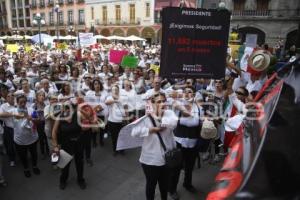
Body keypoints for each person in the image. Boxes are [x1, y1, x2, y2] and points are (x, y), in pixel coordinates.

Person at [131, 92, 177, 200]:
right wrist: (150, 130)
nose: (162, 104)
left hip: (167, 158)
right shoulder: (145, 118)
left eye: (163, 101)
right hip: (150, 160)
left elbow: (172, 124)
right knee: (151, 185)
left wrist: (157, 116)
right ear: (153, 104)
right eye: (158, 102)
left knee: (164, 184)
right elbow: (134, 132)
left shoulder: (169, 113)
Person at [168, 86, 204, 199]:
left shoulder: (198, 108)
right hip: (179, 142)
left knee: (189, 167)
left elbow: (201, 122)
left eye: (191, 92)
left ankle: (187, 184)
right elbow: (169, 96)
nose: (189, 94)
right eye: (186, 92)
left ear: (194, 95)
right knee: (176, 168)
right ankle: (172, 189)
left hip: (193, 142)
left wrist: (207, 122)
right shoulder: (177, 105)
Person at [51, 100, 87, 190]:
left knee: (79, 163)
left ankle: (80, 180)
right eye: (65, 107)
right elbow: (54, 132)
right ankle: (63, 181)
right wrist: (55, 146)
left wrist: (85, 126)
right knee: (65, 165)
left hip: (78, 143)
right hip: (66, 144)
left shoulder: (78, 115)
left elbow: (86, 123)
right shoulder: (60, 117)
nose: (67, 109)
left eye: (68, 107)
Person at [13, 94, 40, 178]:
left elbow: (38, 121)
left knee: (34, 154)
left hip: (32, 138)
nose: (23, 104)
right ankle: (26, 169)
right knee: (23, 156)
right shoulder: (13, 111)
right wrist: (16, 115)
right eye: (20, 102)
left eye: (24, 102)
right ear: (17, 103)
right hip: (20, 140)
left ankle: (35, 166)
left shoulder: (31, 109)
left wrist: (31, 118)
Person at [105, 84, 127, 156]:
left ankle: (122, 150)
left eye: (116, 89)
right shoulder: (109, 97)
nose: (115, 91)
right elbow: (106, 103)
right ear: (111, 91)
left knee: (122, 136)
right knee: (114, 137)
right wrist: (115, 100)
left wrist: (126, 118)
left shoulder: (122, 97)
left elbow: (126, 107)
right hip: (112, 121)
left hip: (121, 121)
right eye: (114, 90)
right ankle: (115, 150)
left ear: (118, 90)